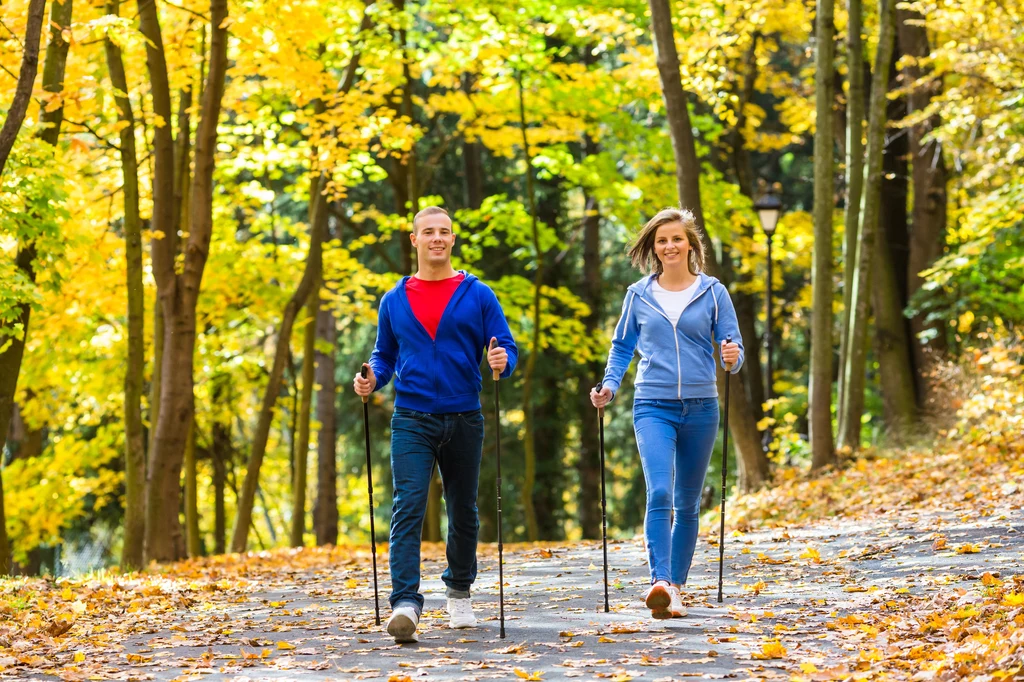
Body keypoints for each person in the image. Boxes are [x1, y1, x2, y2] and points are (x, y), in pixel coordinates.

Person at [353, 206, 518, 643]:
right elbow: (385, 355)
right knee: (407, 505)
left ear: (453, 238)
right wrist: (371, 377)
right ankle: (405, 602)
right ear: (414, 240)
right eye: (428, 232)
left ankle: (459, 590)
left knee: (462, 508)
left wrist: (502, 360)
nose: (437, 239)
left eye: (444, 231)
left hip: (465, 416)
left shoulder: (477, 294)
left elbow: (506, 347)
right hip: (412, 416)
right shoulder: (394, 300)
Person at [590, 208, 742, 619]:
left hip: (701, 407)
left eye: (677, 238)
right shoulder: (638, 295)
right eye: (662, 240)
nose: (670, 246)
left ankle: (675, 588)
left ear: (690, 244)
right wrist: (609, 384)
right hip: (652, 404)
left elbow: (734, 350)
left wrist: (731, 357)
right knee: (660, 492)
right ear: (653, 248)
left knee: (688, 502)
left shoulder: (713, 293)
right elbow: (622, 346)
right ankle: (659, 580)